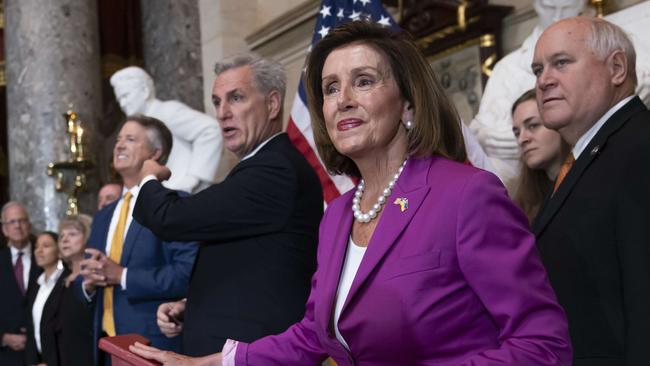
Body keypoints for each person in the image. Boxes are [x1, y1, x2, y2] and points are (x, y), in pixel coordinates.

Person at [130, 21, 571, 366]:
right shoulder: (338, 215)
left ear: (407, 103)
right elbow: (312, 336)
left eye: (363, 81)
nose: (342, 100)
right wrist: (217, 361)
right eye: (330, 88)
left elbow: (542, 344)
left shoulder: (466, 194)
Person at [130, 54, 323, 357]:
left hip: (255, 357)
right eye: (217, 102)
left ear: (272, 104)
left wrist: (148, 178)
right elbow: (250, 267)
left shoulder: (274, 170)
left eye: (236, 98)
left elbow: (170, 218)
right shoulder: (260, 167)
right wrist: (191, 307)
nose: (222, 113)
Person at [530, 16, 650, 365]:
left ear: (616, 68)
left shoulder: (640, 148)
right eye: (538, 70)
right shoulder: (592, 154)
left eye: (561, 63)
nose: (544, 81)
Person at [78, 115, 198, 364]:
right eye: (119, 139)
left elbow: (186, 275)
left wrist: (122, 275)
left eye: (130, 139)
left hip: (150, 345)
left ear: (155, 153)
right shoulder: (102, 217)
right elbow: (87, 280)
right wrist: (88, 284)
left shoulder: (176, 205)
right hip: (103, 347)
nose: (119, 145)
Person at [469, 0, 585, 185]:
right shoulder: (507, 67)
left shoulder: (593, 56)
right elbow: (477, 129)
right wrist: (484, 135)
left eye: (566, 9)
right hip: (520, 176)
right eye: (549, 8)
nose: (556, 17)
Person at [111, 66, 223, 193]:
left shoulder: (167, 111)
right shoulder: (140, 124)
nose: (123, 104)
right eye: (119, 99)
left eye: (126, 96)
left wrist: (193, 177)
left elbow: (210, 129)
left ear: (145, 91)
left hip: (182, 194)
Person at [510, 89, 569, 222]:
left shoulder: (590, 181)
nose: (522, 139)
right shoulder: (521, 202)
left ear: (558, 123)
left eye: (533, 126)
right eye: (517, 132)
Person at [0, 202, 41, 366]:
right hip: (6, 356)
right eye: (11, 222)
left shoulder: (46, 257)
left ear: (29, 225)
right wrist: (3, 338)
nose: (17, 226)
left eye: (22, 220)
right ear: (4, 229)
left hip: (42, 354)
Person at [25, 231, 68, 366]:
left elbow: (67, 333)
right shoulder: (37, 285)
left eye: (46, 246)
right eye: (37, 246)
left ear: (59, 251)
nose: (39, 251)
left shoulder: (67, 281)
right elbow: (34, 330)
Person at [57, 215, 94, 366]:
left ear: (88, 238)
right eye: (61, 236)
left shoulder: (94, 277)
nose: (64, 240)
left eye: (72, 234)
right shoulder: (61, 280)